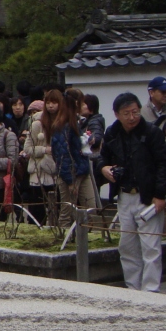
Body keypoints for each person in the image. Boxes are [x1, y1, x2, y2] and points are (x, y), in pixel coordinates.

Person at [101, 93, 166, 292]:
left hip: (147, 196)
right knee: (127, 245)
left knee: (151, 246)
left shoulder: (152, 132)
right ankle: (133, 287)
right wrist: (104, 169)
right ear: (117, 114)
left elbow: (164, 164)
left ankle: (150, 290)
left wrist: (159, 194)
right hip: (124, 194)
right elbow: (102, 158)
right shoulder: (112, 132)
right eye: (126, 113)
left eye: (135, 112)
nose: (132, 117)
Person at [51, 88, 96, 227]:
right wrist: (70, 180)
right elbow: (62, 154)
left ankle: (86, 237)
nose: (85, 106)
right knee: (67, 212)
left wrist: (87, 141)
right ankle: (65, 237)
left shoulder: (77, 123)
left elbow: (74, 146)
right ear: (76, 103)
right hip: (70, 174)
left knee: (90, 209)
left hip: (82, 170)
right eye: (83, 102)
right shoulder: (63, 125)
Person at [25, 93, 61, 225]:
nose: (51, 106)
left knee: (57, 211)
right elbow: (27, 149)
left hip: (57, 172)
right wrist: (44, 150)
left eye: (54, 102)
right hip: (38, 173)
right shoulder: (37, 124)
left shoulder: (64, 123)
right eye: (48, 103)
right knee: (37, 213)